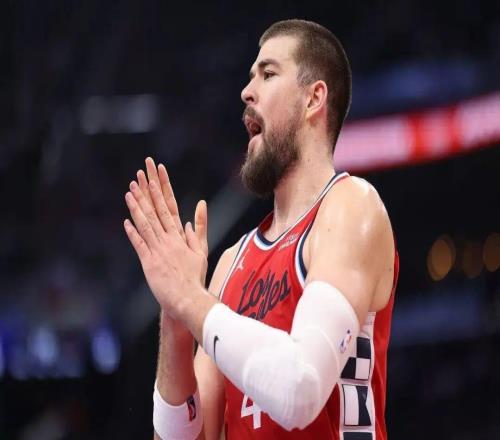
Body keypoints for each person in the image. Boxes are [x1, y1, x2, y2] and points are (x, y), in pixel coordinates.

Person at [124, 19, 399, 440]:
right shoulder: (231, 263)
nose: (246, 91)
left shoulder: (351, 207)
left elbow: (301, 388)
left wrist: (190, 299)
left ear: (313, 99)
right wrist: (176, 318)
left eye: (267, 74)